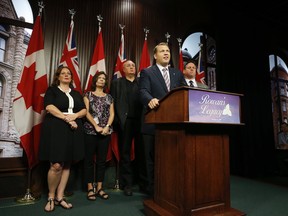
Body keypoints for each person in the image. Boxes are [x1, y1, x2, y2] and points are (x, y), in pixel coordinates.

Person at [138, 42, 186, 196]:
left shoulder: (177, 73)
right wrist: (150, 99)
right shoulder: (147, 72)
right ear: (155, 55)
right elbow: (143, 91)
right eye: (162, 51)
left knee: (169, 158)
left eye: (167, 51)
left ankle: (168, 188)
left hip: (173, 124)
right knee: (150, 159)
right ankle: (152, 190)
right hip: (152, 121)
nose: (166, 53)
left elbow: (184, 92)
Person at [38, 66, 87, 212]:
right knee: (56, 165)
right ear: (58, 77)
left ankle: (60, 196)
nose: (66, 75)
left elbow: (84, 110)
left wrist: (76, 116)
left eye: (68, 74)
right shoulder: (52, 90)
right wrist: (67, 119)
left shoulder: (77, 93)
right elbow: (50, 107)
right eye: (63, 73)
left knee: (67, 163)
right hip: (56, 128)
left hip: (74, 128)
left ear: (71, 78)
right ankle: (51, 196)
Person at [110, 60, 142, 196]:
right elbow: (113, 102)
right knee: (125, 153)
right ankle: (127, 184)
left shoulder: (142, 82)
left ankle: (142, 182)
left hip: (142, 122)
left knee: (142, 152)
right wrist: (117, 122)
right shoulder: (117, 83)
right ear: (123, 69)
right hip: (125, 122)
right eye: (128, 65)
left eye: (133, 65)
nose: (131, 67)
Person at [83, 71, 114, 201]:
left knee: (101, 161)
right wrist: (96, 126)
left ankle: (100, 187)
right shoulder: (88, 95)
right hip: (90, 130)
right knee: (89, 160)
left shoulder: (109, 97)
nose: (101, 80)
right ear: (95, 80)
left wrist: (106, 127)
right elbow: (86, 112)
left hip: (105, 132)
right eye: (99, 78)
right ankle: (90, 188)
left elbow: (112, 114)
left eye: (103, 79)